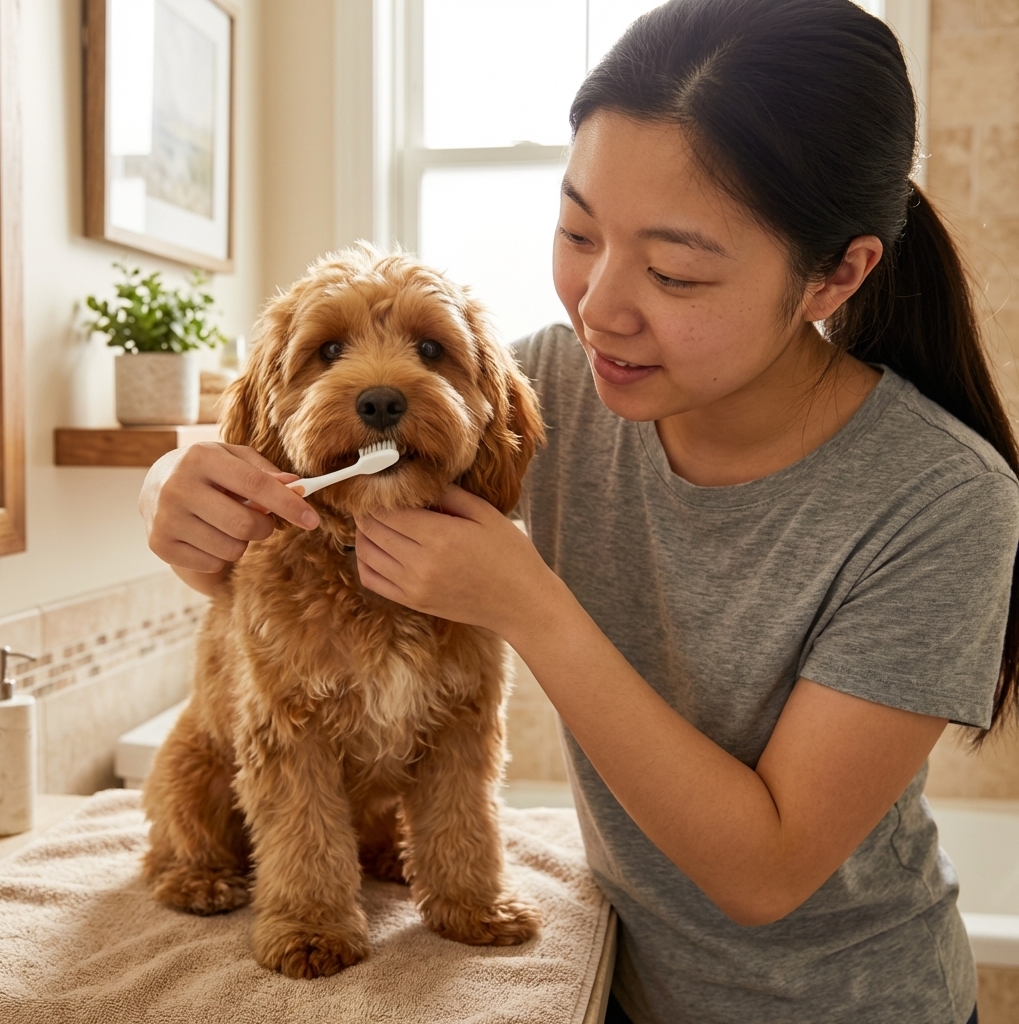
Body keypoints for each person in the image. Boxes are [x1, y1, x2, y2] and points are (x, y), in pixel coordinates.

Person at [138, 1, 1016, 1020]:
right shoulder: (566, 383)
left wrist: (531, 606)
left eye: (674, 269)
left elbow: (765, 871)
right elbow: (323, 434)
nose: (598, 307)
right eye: (577, 230)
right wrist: (176, 481)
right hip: (609, 977)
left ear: (836, 273)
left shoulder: (943, 501)